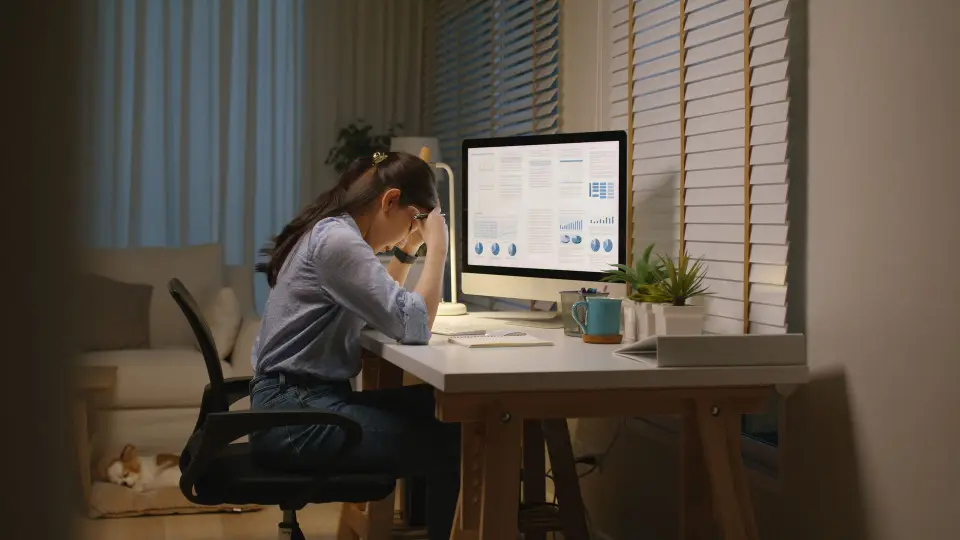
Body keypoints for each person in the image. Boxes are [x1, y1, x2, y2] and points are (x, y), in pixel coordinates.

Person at [249, 151, 459, 539]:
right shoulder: (338, 242)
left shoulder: (332, 231)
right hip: (294, 418)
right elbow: (414, 324)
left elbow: (380, 305)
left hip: (297, 404)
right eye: (413, 221)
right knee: (449, 442)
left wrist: (408, 249)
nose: (409, 231)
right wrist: (439, 248)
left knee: (452, 416)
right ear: (389, 201)